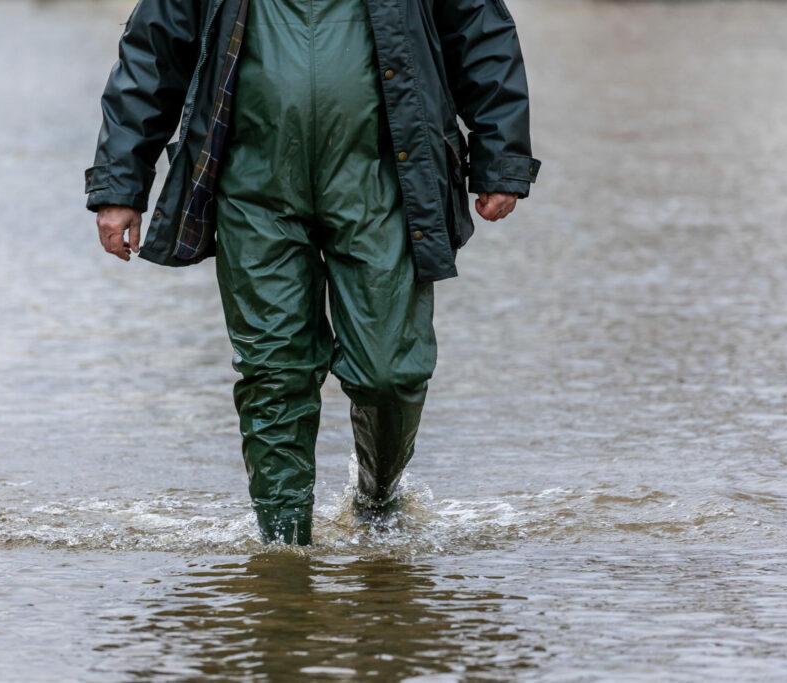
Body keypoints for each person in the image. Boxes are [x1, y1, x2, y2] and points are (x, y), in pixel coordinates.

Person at [85, 0, 540, 545]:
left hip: (383, 179)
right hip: (252, 186)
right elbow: (152, 56)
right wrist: (119, 186)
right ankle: (282, 550)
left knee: (389, 372)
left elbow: (481, 35)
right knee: (274, 372)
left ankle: (379, 499)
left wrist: (501, 160)